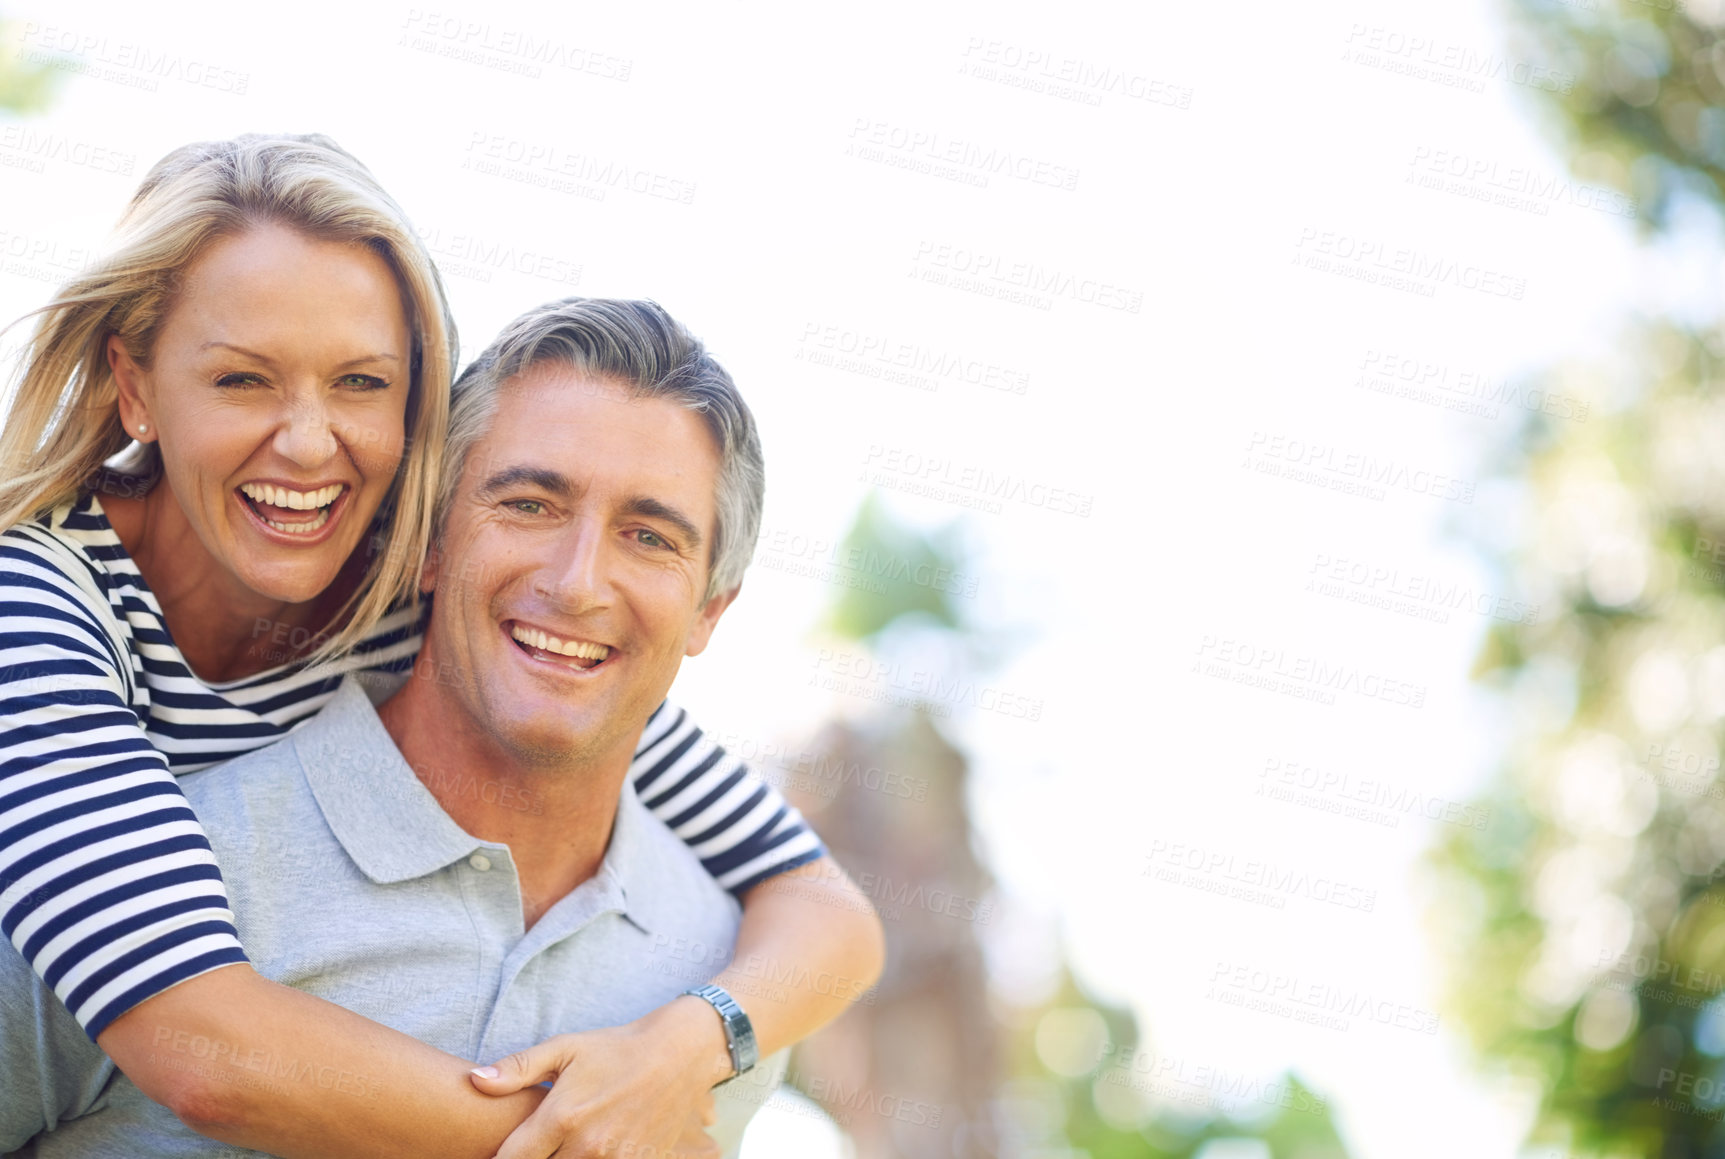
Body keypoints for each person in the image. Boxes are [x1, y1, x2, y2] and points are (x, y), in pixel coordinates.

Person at [0, 136, 884, 1157]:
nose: (306, 440)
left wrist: (685, 1045)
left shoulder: (412, 594)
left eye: (362, 383)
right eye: (243, 378)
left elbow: (822, 903)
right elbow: (200, 1046)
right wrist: (597, 1130)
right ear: (137, 386)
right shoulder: (33, 607)